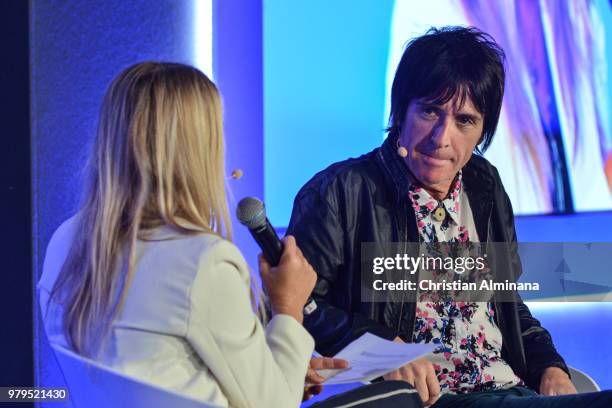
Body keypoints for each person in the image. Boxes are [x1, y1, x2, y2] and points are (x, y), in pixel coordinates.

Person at [288, 27, 612, 407]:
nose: (442, 137)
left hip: (506, 389)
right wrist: (384, 348)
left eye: (465, 121)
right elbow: (299, 306)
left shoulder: (484, 184)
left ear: (482, 130)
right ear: (401, 109)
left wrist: (550, 366)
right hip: (425, 397)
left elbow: (507, 304)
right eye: (430, 111)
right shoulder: (340, 191)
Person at [38, 61, 327, 408]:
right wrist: (288, 307)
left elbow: (159, 369)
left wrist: (283, 370)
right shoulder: (204, 262)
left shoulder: (65, 242)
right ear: (200, 150)